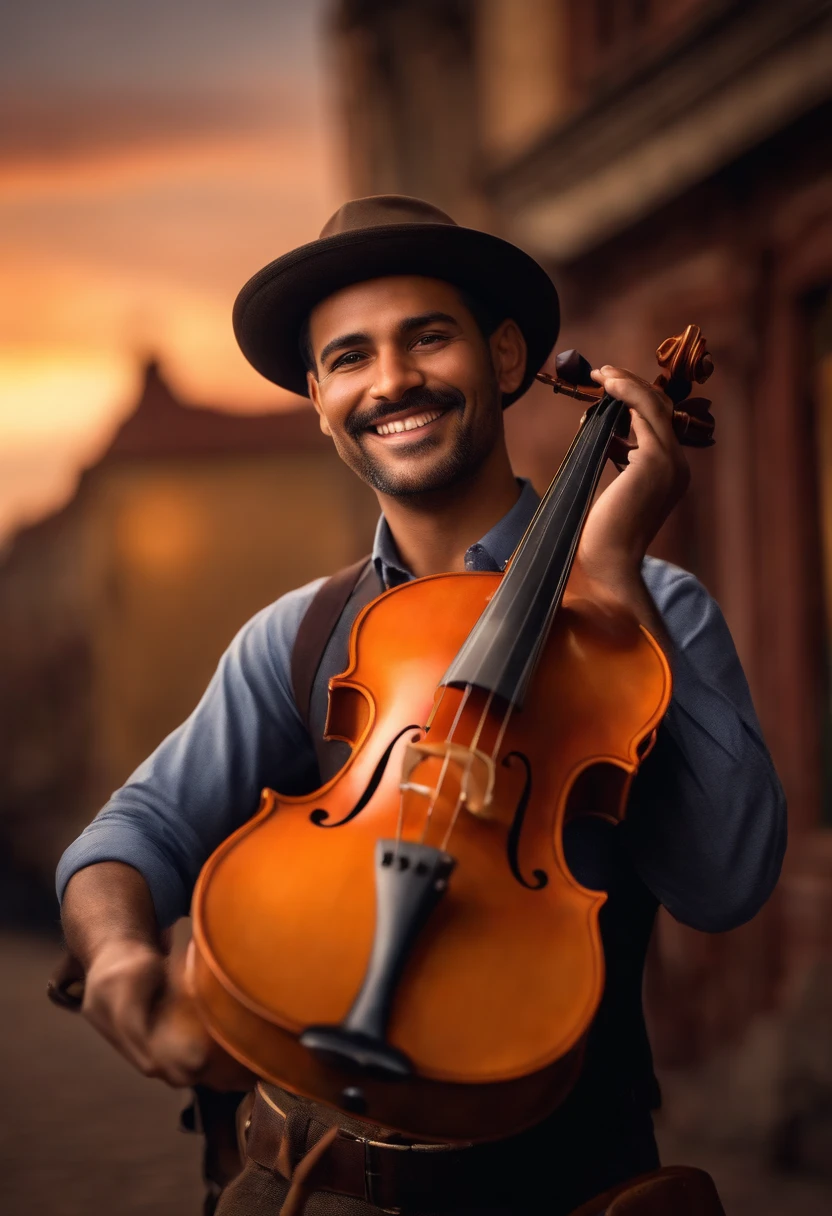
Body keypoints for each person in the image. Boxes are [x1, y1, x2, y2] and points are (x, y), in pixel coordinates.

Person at [57, 195, 786, 1215]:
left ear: (502, 357)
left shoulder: (656, 611)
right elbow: (135, 828)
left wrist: (610, 582)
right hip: (307, 1192)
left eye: (426, 338)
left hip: (567, 1190)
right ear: (318, 397)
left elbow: (726, 884)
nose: (390, 380)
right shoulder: (301, 634)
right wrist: (122, 949)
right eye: (349, 357)